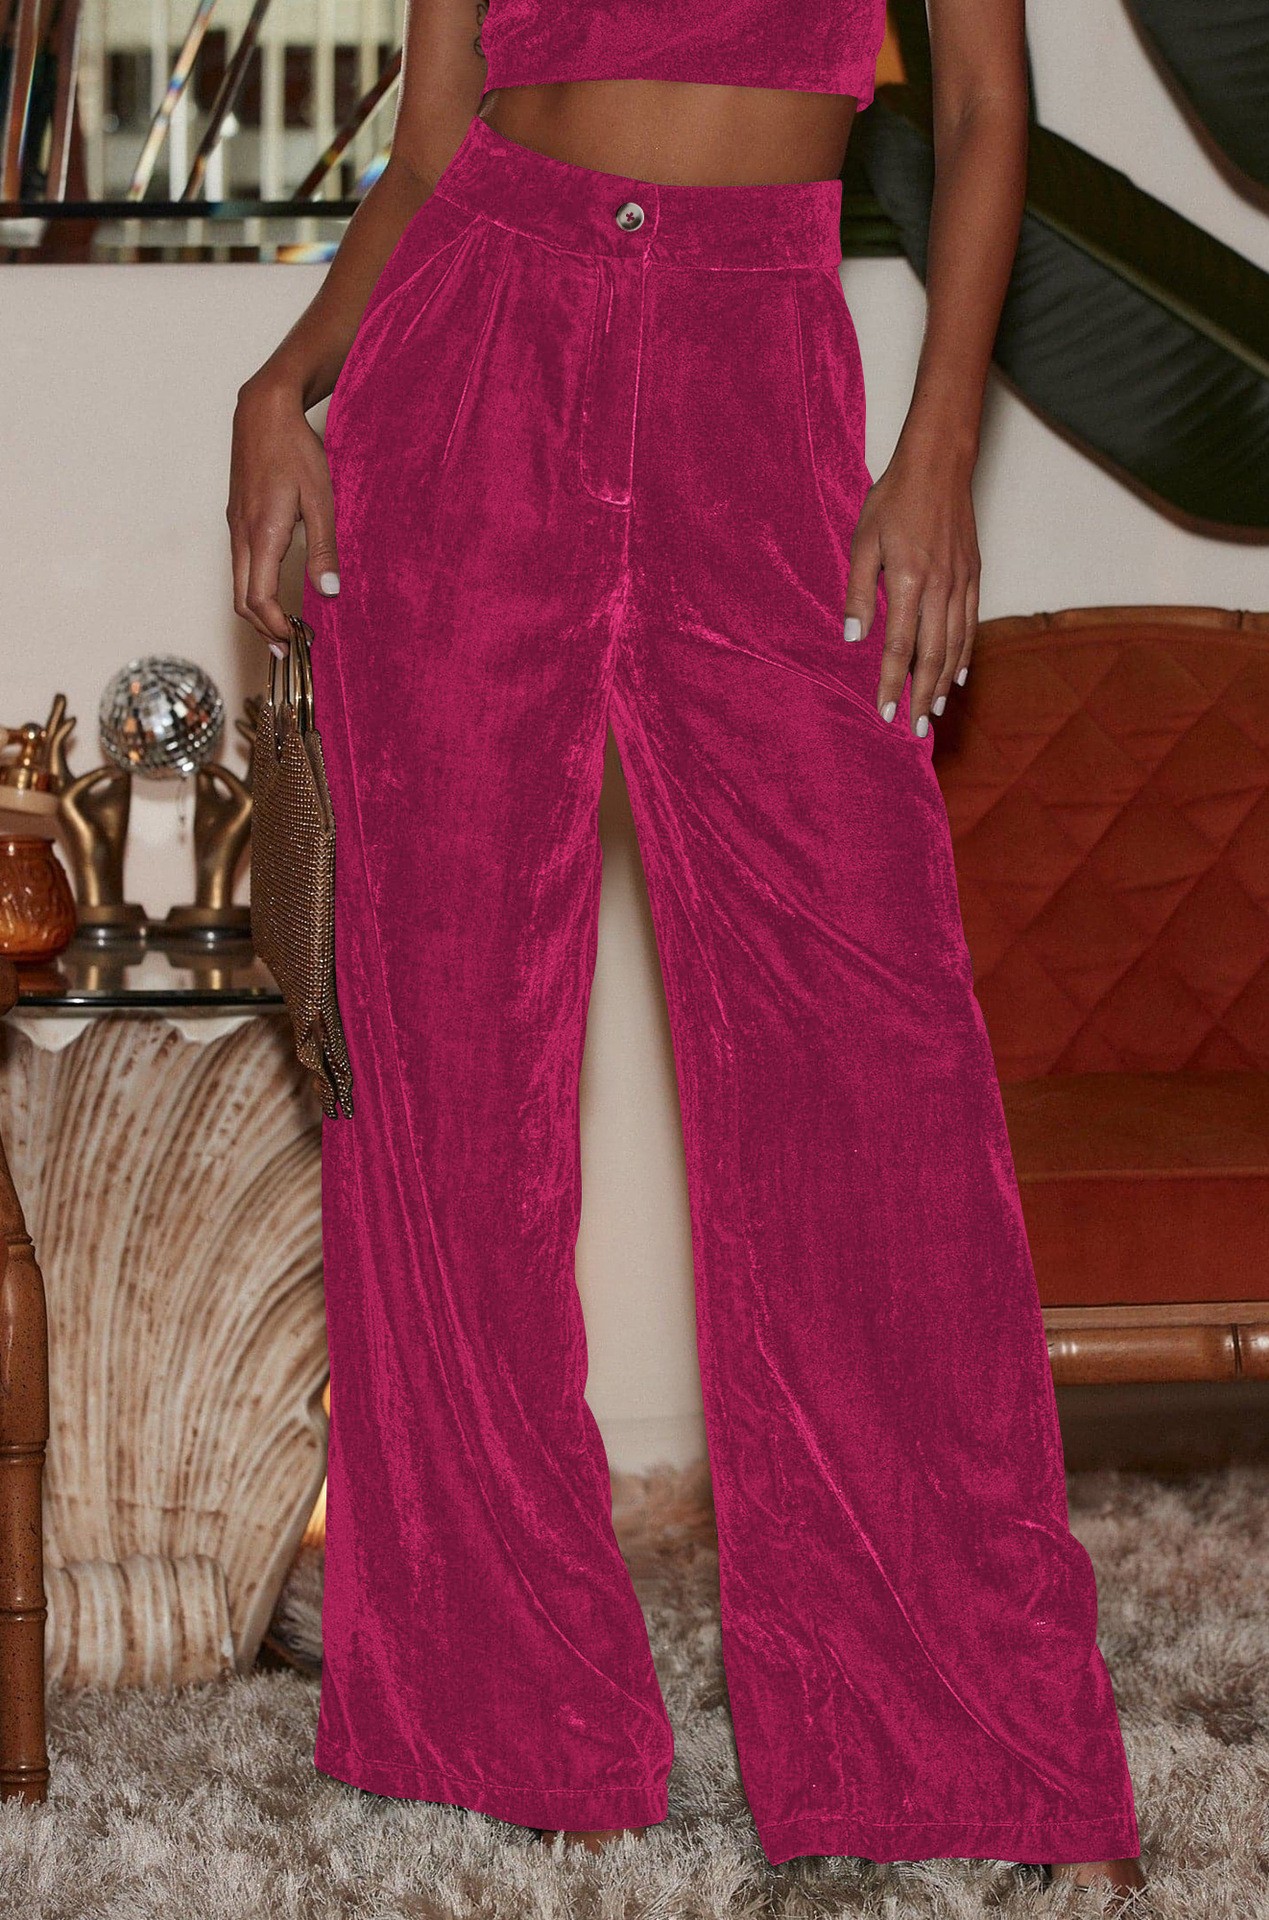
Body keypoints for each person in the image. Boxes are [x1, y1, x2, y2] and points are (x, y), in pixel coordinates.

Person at [228, 0, 1146, 1899]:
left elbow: (988, 108)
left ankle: (939, 1739)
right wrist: (283, 382)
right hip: (476, 357)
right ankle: (496, 1712)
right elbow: (434, 145)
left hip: (758, 355)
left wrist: (938, 451)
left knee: (870, 1086)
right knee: (445, 1065)